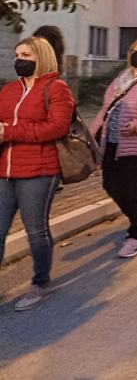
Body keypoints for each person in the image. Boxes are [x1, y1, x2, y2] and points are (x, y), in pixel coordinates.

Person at [0, 37, 75, 311]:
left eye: (27, 54)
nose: (20, 59)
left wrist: (9, 131)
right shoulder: (8, 90)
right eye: (17, 54)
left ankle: (40, 283)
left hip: (40, 169)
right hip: (4, 170)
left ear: (41, 57)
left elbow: (56, 128)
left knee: (36, 230)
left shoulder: (57, 88)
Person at [89, 38, 137, 259]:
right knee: (111, 185)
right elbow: (105, 110)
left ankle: (136, 235)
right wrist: (92, 134)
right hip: (113, 143)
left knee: (134, 191)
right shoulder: (122, 78)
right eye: (134, 50)